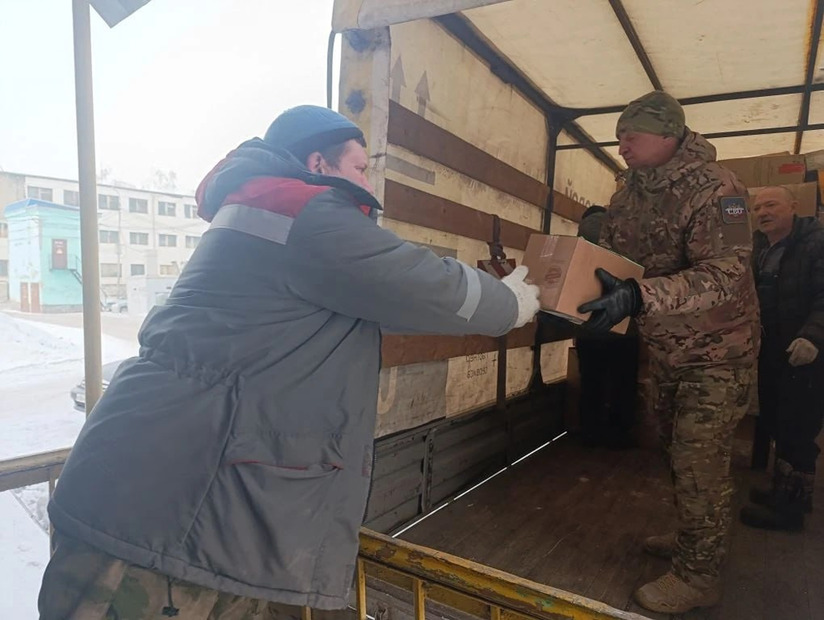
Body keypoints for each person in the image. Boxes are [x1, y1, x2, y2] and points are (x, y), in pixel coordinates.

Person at [37, 105, 540, 619]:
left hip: (152, 498)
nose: (370, 184)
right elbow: (431, 286)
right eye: (361, 167)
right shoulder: (302, 212)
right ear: (319, 163)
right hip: (158, 522)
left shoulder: (260, 208)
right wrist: (513, 302)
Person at [577, 91, 760, 614]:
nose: (621, 146)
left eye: (630, 136)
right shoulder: (627, 192)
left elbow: (728, 272)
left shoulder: (723, 190)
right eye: (618, 137)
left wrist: (638, 297)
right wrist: (566, 289)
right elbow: (613, 259)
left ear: (668, 134)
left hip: (720, 350)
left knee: (698, 460)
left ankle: (699, 576)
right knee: (673, 452)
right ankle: (691, 536)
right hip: (666, 348)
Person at [739, 186, 824, 531]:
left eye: (771, 204)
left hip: (805, 352)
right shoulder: (760, 246)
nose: (763, 212)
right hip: (773, 350)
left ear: (794, 206)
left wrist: (812, 337)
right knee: (776, 420)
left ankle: (790, 512)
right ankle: (783, 491)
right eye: (757, 208)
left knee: (798, 428)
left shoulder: (815, 242)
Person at [574, 205, 639, 449]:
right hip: (624, 324)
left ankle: (590, 432)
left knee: (591, 381)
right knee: (623, 382)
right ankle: (621, 433)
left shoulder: (583, 236)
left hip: (590, 326)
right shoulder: (626, 232)